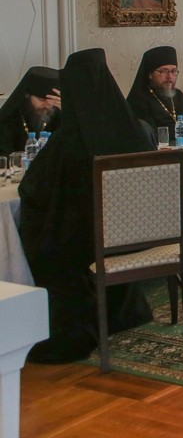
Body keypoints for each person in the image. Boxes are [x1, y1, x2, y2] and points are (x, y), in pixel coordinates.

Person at [18, 48, 156, 363]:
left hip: (91, 241)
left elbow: (34, 188)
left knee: (45, 249)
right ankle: (125, 312)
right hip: (136, 236)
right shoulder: (134, 129)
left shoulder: (71, 140)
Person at [125, 45, 183, 135]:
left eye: (173, 71)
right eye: (164, 71)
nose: (170, 77)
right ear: (150, 74)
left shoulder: (179, 95)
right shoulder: (138, 100)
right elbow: (151, 134)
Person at [0, 65, 60, 156]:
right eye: (41, 100)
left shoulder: (59, 115)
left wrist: (68, 113)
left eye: (52, 101)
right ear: (27, 95)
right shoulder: (8, 119)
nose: (48, 106)